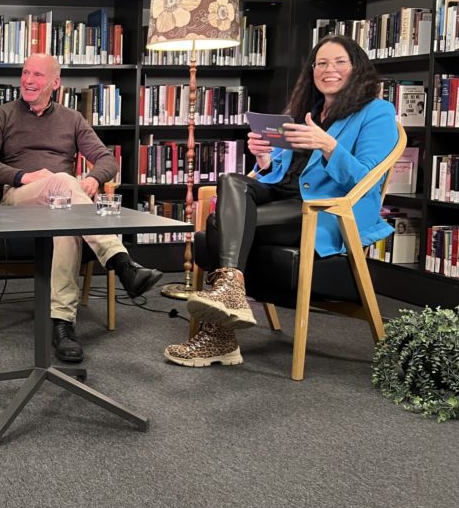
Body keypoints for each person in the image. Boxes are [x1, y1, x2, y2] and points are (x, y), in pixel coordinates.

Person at [164, 34, 399, 368]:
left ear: (357, 67)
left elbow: (367, 180)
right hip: (284, 195)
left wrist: (328, 145)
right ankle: (231, 293)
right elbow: (282, 173)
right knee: (232, 180)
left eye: (339, 62)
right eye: (321, 63)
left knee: (218, 224)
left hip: (325, 208)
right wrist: (263, 160)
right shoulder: (307, 110)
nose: (328, 70)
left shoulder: (376, 112)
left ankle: (219, 335)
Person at [0, 52, 163, 363]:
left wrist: (92, 179)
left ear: (55, 83)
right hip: (19, 201)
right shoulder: (2, 115)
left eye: (38, 75)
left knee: (65, 220)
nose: (29, 81)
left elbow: (107, 160)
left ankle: (62, 325)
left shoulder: (72, 119)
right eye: (26, 73)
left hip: (62, 204)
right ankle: (121, 262)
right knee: (61, 182)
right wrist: (23, 175)